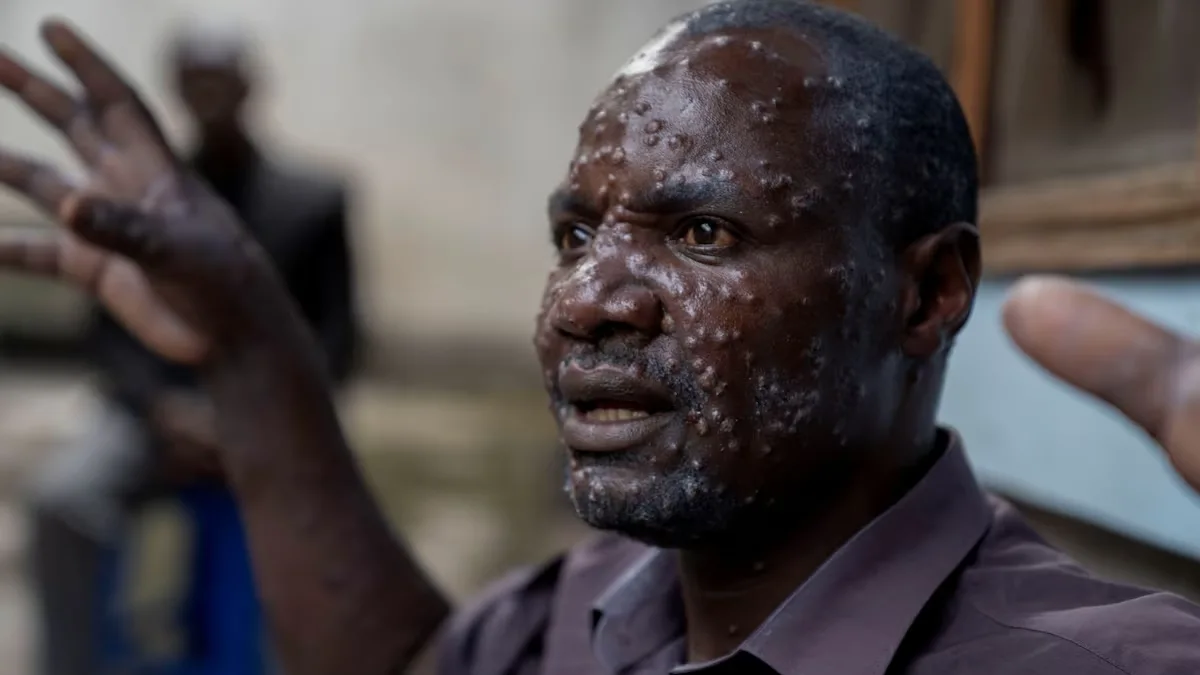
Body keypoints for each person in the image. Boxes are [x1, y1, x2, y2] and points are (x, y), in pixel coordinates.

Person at [0, 2, 1199, 674]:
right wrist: (251, 346)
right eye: (576, 235)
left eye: (707, 235)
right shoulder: (606, 601)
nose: (585, 301)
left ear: (927, 293)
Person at [21, 21, 358, 675]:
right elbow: (110, 336)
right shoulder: (141, 200)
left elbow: (337, 339)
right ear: (176, 88)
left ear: (249, 85)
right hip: (156, 421)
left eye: (219, 82)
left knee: (323, 540)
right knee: (62, 499)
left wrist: (263, 419)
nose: (208, 98)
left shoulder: (311, 203)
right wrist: (165, 412)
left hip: (273, 429)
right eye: (194, 83)